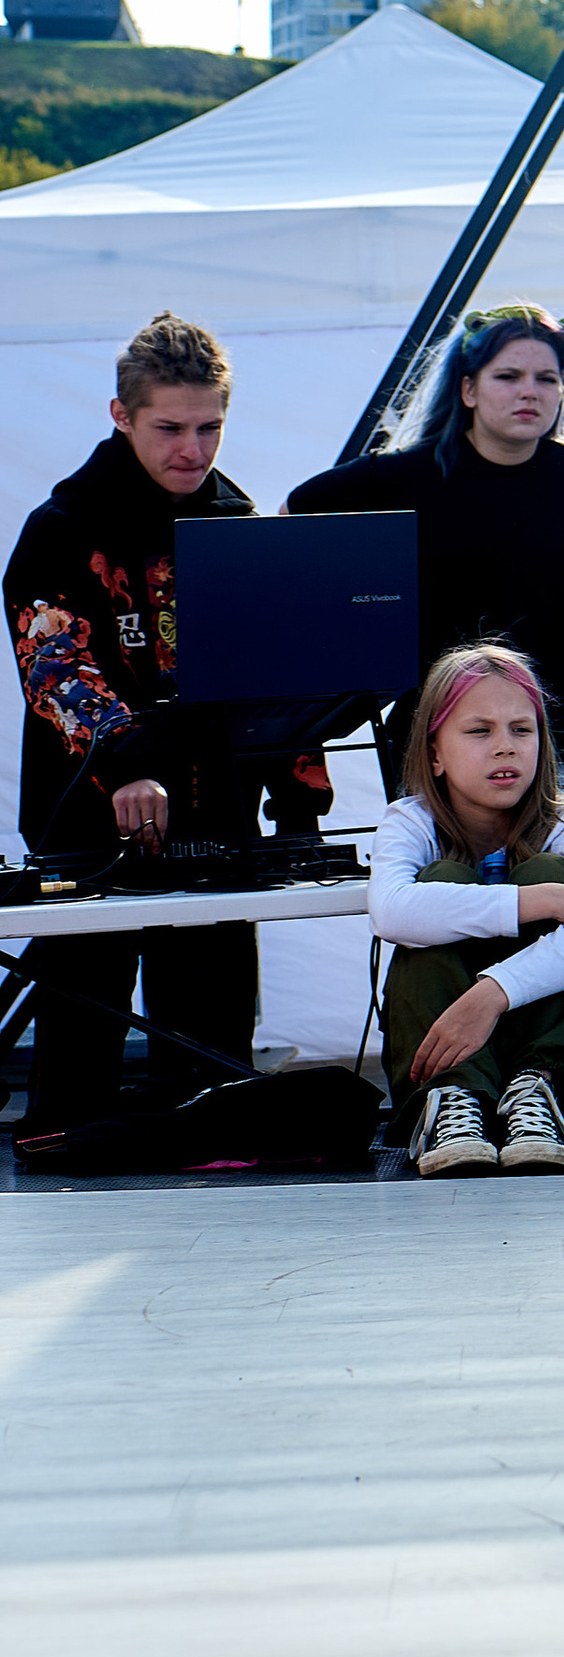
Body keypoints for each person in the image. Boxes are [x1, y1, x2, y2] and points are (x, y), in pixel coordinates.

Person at [5, 310, 330, 1135]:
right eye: (170, 427)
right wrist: (127, 765)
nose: (193, 448)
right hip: (84, 818)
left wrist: (299, 807)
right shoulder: (62, 529)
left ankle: (216, 1171)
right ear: (121, 415)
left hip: (214, 815)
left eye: (210, 426)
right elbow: (56, 671)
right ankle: (67, 1174)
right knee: (85, 1022)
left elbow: (280, 676)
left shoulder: (237, 522)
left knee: (214, 1033)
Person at [290, 303, 564, 813]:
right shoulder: (405, 478)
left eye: (547, 378)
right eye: (508, 376)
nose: (529, 391)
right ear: (468, 388)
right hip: (446, 742)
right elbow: (295, 512)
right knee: (457, 888)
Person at [372, 641, 564, 1176]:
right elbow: (392, 912)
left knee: (548, 868)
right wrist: (549, 900)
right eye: (479, 730)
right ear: (435, 752)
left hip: (545, 1056)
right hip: (444, 1052)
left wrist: (489, 996)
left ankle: (539, 1096)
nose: (505, 747)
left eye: (522, 729)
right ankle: (452, 1103)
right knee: (442, 881)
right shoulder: (409, 820)